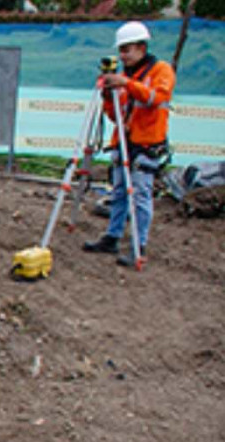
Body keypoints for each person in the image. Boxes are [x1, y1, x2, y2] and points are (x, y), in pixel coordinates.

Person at [82, 21, 175, 267]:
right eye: (121, 50)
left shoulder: (161, 71)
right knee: (120, 191)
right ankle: (112, 237)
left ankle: (138, 244)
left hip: (147, 144)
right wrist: (107, 97)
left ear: (142, 48)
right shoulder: (124, 76)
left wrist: (127, 85)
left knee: (141, 195)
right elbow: (115, 116)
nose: (123, 55)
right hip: (124, 142)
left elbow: (157, 97)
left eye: (127, 50)